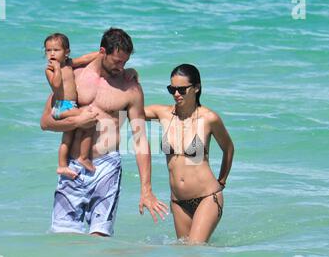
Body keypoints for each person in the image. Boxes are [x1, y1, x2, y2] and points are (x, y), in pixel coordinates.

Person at [40, 28, 168, 237]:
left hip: (107, 167)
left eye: (125, 63)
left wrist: (146, 190)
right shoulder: (73, 76)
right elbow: (46, 122)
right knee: (63, 240)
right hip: (72, 168)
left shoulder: (131, 89)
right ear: (102, 52)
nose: (121, 67)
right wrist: (77, 120)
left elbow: (140, 140)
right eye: (117, 61)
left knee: (99, 241)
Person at [144, 64, 234, 244]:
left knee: (194, 248)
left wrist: (222, 180)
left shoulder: (209, 118)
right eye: (172, 89)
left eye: (182, 89)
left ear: (197, 88)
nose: (176, 94)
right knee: (185, 256)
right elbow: (130, 111)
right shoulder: (162, 113)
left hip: (207, 197)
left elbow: (229, 148)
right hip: (178, 202)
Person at [44, 33, 98, 177]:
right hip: (62, 106)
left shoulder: (68, 64)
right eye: (48, 50)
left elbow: (85, 59)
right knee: (90, 119)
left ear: (66, 52)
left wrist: (101, 53)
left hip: (70, 106)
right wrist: (56, 69)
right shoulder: (49, 70)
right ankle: (83, 157)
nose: (52, 53)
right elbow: (56, 85)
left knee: (68, 139)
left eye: (56, 50)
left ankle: (63, 166)